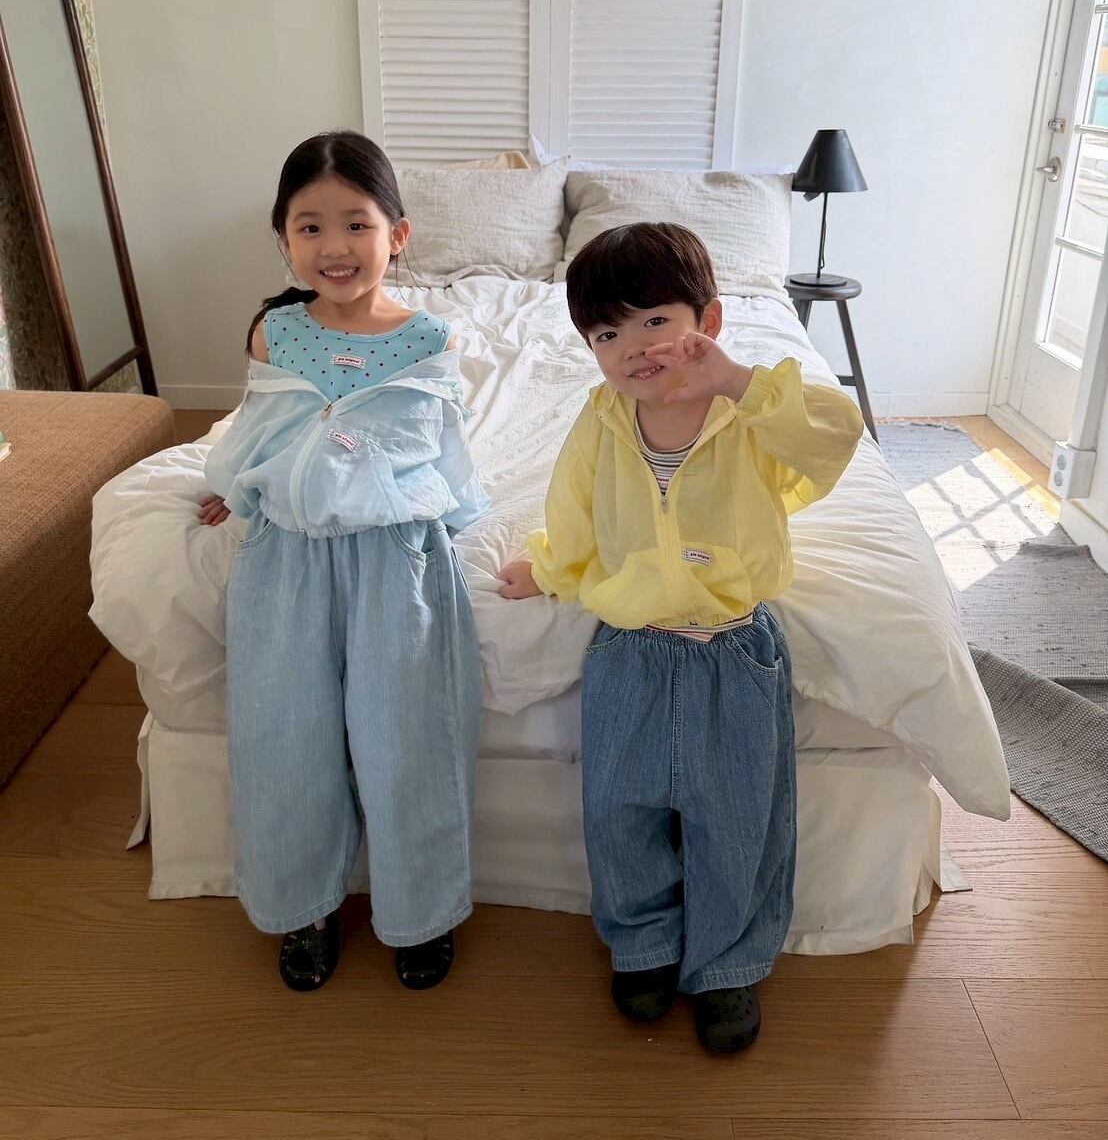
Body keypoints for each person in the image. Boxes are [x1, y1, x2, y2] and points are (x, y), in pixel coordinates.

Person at [499, 221, 862, 1054]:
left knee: (737, 819)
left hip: (734, 650)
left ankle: (729, 963)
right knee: (618, 811)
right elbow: (575, 513)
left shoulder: (749, 416)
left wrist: (737, 381)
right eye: (607, 334)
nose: (634, 347)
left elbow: (834, 435)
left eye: (655, 321)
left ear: (709, 320)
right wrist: (547, 569)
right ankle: (643, 944)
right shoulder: (601, 421)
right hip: (629, 648)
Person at [199, 129, 488, 993]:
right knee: (284, 737)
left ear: (397, 234)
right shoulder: (275, 334)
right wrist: (230, 488)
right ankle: (304, 906)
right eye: (311, 227)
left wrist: (459, 520)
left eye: (356, 224)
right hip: (286, 561)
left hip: (396, 560)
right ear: (284, 240)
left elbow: (439, 446)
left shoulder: (430, 337)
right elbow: (258, 429)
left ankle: (422, 911)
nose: (335, 246)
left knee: (409, 740)